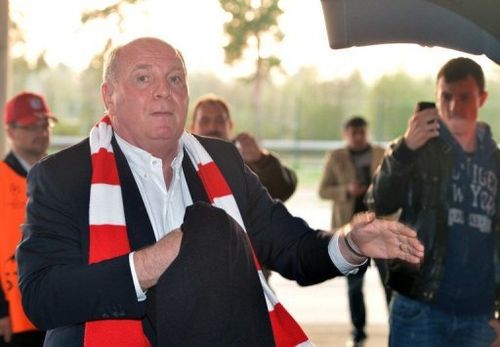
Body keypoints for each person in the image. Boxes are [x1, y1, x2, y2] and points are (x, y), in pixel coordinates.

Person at [16, 37, 424, 346]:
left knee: (210, 226)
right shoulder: (64, 175)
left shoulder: (223, 161)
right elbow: (41, 297)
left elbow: (291, 248)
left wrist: (351, 243)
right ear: (110, 96)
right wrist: (148, 264)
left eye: (175, 79)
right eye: (143, 78)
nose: (164, 90)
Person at [366, 57, 500, 347]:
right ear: (436, 97)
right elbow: (379, 202)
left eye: (465, 97)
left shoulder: (496, 161)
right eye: (446, 97)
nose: (453, 106)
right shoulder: (417, 149)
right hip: (420, 308)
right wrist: (404, 151)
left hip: (480, 316)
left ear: (483, 98)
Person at [318, 116, 390, 347]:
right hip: (351, 233)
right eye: (353, 132)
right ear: (345, 134)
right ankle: (359, 333)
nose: (358, 136)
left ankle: (397, 328)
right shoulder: (336, 157)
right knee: (354, 285)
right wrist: (347, 190)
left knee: (390, 283)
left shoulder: (383, 153)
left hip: (380, 228)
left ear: (367, 132)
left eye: (361, 132)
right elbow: (323, 190)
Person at [0, 92, 56, 346]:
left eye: (45, 124)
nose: (41, 132)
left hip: (54, 309)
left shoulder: (59, 177)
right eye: (31, 126)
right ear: (11, 132)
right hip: (12, 318)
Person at [190, 93, 297, 202]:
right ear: (193, 127)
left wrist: (261, 160)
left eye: (220, 120)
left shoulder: (245, 164)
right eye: (205, 121)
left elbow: (285, 189)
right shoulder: (179, 164)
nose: (212, 127)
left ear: (230, 125)